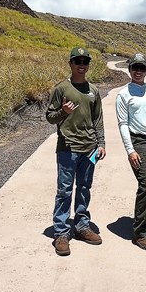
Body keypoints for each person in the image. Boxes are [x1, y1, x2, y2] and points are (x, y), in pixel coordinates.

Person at [46, 47, 106, 257]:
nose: (82, 64)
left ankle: (81, 226)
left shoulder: (94, 90)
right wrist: (64, 112)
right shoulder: (61, 88)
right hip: (67, 147)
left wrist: (101, 143)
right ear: (70, 63)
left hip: (88, 148)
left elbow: (98, 119)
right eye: (77, 61)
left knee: (84, 188)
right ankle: (61, 233)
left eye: (85, 61)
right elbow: (50, 117)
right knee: (64, 190)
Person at [116, 54, 146, 251]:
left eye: (142, 68)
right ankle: (140, 233)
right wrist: (130, 150)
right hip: (139, 141)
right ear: (129, 69)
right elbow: (123, 123)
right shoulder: (124, 94)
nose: (138, 71)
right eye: (135, 67)